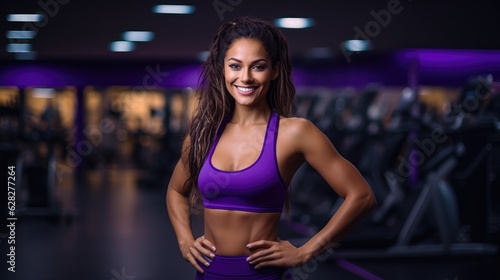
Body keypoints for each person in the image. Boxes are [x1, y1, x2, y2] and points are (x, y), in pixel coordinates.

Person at [166, 16, 377, 280]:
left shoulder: (296, 132)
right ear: (223, 70)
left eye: (258, 67)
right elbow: (176, 190)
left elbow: (361, 196)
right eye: (235, 66)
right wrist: (185, 240)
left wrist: (306, 251)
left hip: (263, 275)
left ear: (275, 71)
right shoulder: (203, 135)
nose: (245, 77)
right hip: (208, 273)